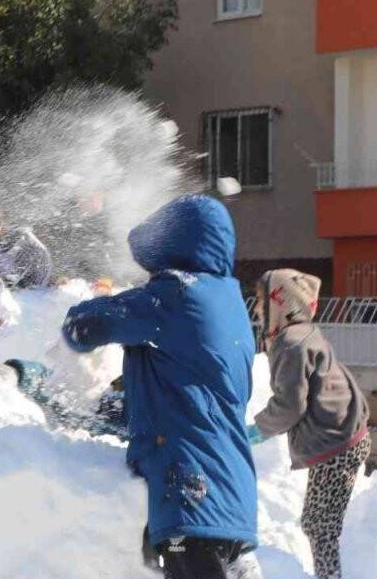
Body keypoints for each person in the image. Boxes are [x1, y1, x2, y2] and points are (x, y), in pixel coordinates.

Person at [61, 195, 258, 579]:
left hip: (191, 491)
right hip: (231, 495)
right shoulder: (228, 299)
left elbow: (84, 327)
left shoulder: (176, 294)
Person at [248, 269, 370, 579]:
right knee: (319, 523)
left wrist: (255, 431)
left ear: (281, 302)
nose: (257, 309)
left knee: (320, 525)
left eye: (263, 301)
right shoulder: (302, 333)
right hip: (341, 437)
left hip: (337, 442)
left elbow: (290, 405)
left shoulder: (291, 342)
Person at [0, 202, 53, 294]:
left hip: (34, 291)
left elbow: (39, 267)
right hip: (10, 291)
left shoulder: (22, 239)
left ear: (1, 224)